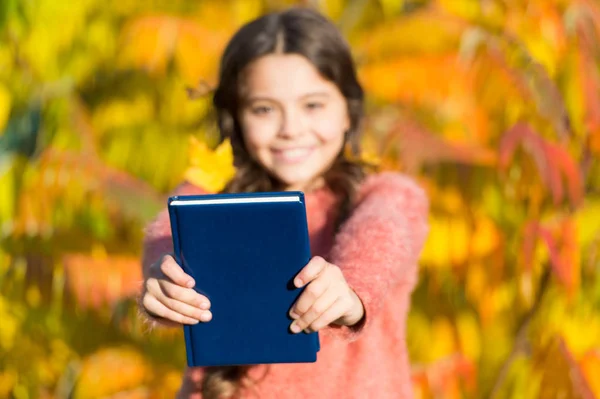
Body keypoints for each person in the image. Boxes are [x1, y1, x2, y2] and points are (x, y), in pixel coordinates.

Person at [139, 6, 429, 399]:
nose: (291, 128)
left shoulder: (385, 195)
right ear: (236, 118)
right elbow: (170, 232)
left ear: (348, 110)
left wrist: (350, 291)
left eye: (313, 105)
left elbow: (383, 234)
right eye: (264, 109)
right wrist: (164, 281)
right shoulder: (212, 193)